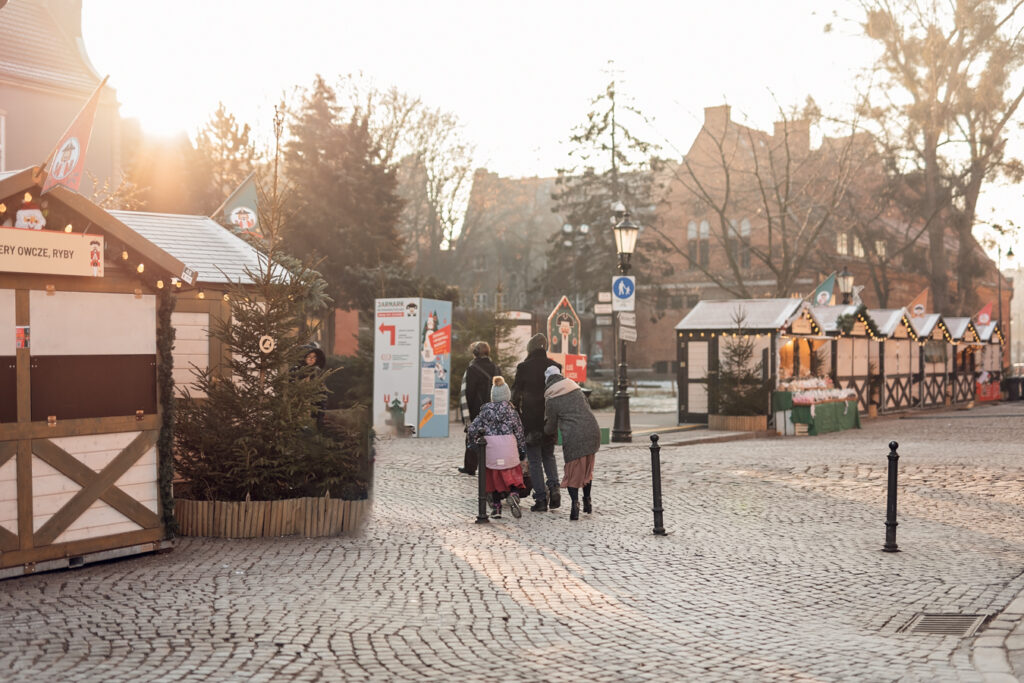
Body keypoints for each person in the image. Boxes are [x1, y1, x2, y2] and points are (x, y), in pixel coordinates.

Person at [511, 333, 561, 512]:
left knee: (534, 460)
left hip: (530, 421)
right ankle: (554, 488)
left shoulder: (523, 367)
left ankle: (540, 499)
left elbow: (514, 396)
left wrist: (516, 414)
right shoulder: (555, 366)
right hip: (549, 419)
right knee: (549, 455)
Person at [543, 366, 600, 521]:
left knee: (573, 474)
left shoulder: (552, 398)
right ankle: (587, 502)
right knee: (587, 470)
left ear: (547, 381)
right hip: (593, 431)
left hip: (574, 437)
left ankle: (575, 505)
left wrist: (542, 431)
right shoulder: (576, 389)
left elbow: (550, 427)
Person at [467, 376, 527, 519]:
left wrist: (473, 444)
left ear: (493, 396)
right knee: (512, 474)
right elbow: (519, 432)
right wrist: (522, 450)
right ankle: (513, 494)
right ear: (507, 396)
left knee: (493, 479)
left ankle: (496, 508)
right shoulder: (512, 412)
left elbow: (472, 429)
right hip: (509, 449)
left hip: (492, 450)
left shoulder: (485, 411)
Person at [458, 341, 499, 475]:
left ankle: (470, 467)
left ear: (475, 353)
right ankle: (492, 466)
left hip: (477, 409)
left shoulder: (472, 368)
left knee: (472, 436)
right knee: (491, 437)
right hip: (493, 408)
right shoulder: (495, 368)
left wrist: (466, 414)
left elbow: (468, 392)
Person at [296, 343, 327, 429]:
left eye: (314, 357)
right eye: (309, 356)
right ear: (303, 357)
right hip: (294, 415)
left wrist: (320, 416)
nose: (311, 359)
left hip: (310, 417)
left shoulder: (317, 374)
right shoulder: (295, 373)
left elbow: (322, 397)